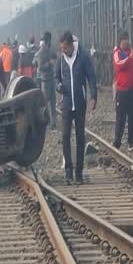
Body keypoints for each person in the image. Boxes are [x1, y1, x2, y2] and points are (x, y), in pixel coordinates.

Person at [55, 31, 97, 185]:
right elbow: (56, 78)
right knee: (65, 137)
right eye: (61, 48)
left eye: (65, 47)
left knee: (80, 138)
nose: (63, 50)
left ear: (71, 45)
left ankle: (79, 172)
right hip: (66, 104)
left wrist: (93, 96)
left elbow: (91, 76)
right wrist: (59, 86)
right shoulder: (60, 60)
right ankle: (68, 172)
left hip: (80, 103)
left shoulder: (83, 57)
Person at [113, 31, 133, 151]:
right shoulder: (117, 53)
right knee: (120, 118)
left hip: (132, 90)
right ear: (120, 41)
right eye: (126, 39)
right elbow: (119, 65)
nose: (128, 41)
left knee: (132, 117)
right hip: (122, 91)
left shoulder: (130, 53)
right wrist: (130, 58)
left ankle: (132, 142)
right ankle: (117, 143)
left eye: (128, 39)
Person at [35, 31, 58, 130]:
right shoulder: (40, 53)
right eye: (48, 40)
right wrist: (49, 63)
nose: (49, 42)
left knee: (53, 102)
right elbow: (40, 67)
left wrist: (55, 60)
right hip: (45, 81)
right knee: (45, 102)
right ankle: (46, 121)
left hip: (51, 79)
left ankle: (53, 123)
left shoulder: (50, 50)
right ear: (46, 41)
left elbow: (55, 57)